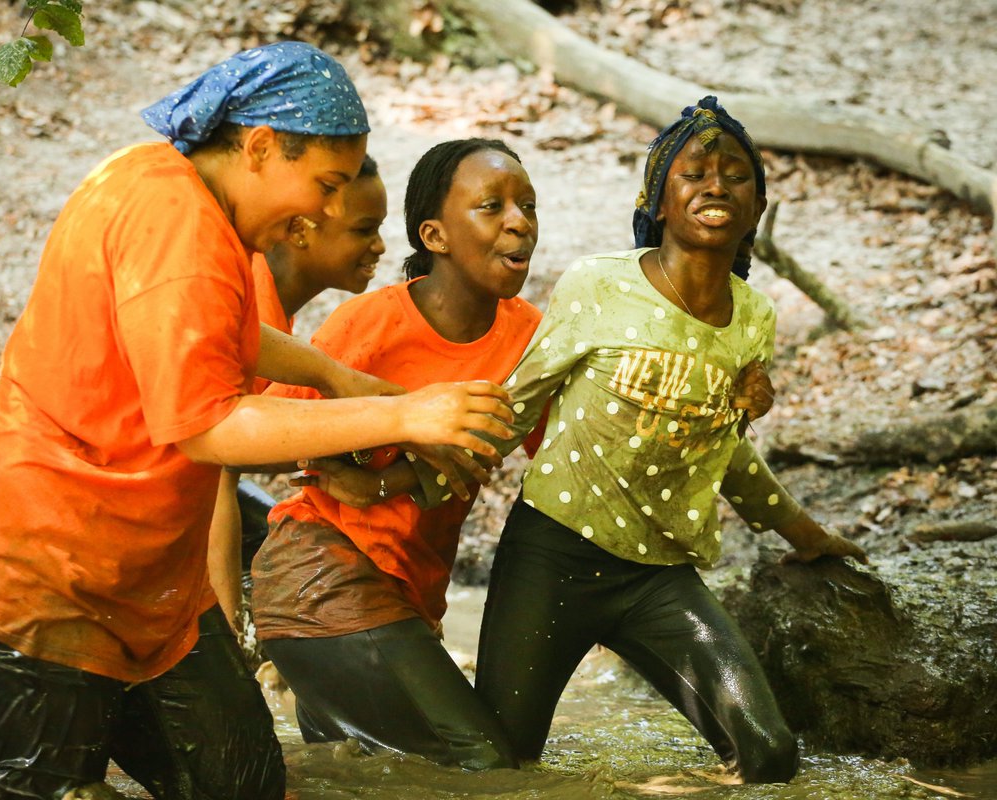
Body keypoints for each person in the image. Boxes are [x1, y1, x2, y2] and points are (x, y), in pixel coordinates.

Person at [0, 44, 513, 800]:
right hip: (30, 568)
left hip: (143, 589)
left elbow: (201, 326)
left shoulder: (159, 180)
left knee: (247, 786)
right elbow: (211, 426)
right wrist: (407, 411)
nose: (327, 211)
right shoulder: (180, 230)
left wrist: (330, 374)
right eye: (325, 185)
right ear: (258, 147)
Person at [443, 97, 866, 783]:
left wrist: (808, 537)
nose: (715, 185)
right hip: (550, 556)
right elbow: (518, 403)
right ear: (658, 202)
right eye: (694, 173)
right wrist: (412, 484)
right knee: (504, 766)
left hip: (658, 577)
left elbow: (722, 447)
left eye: (735, 176)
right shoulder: (597, 284)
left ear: (757, 209)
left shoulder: (754, 317)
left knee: (769, 756)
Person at [250, 138, 544, 771]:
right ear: (434, 236)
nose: (520, 222)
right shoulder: (368, 324)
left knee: (357, 774)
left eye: (529, 206)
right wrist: (374, 450)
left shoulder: (532, 338)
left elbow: (572, 456)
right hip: (319, 573)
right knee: (486, 769)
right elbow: (253, 434)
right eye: (492, 206)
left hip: (409, 593)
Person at [209, 155, 388, 632]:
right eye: (363, 230)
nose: (380, 246)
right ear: (303, 230)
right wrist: (232, 639)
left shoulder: (270, 301)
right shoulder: (247, 288)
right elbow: (217, 471)